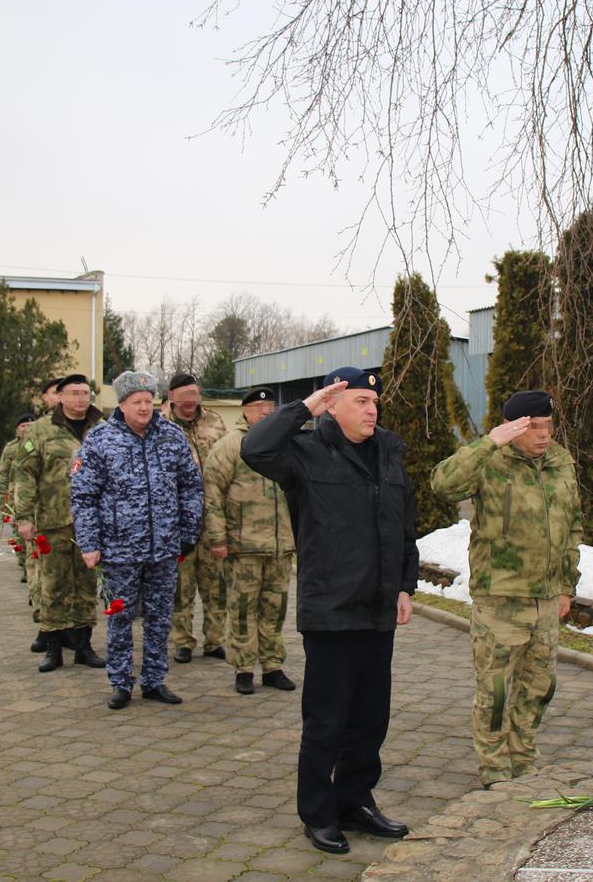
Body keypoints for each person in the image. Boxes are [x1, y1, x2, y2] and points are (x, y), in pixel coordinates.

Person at [242, 367, 417, 856]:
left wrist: (405, 585)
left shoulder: (388, 453)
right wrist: (304, 407)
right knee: (327, 722)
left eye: (373, 402)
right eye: (359, 401)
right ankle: (317, 813)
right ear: (333, 406)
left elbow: (405, 526)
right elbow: (255, 448)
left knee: (369, 719)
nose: (370, 410)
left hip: (378, 610)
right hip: (332, 610)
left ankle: (354, 801)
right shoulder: (303, 451)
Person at [430, 390, 582, 788]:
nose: (543, 434)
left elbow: (572, 525)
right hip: (500, 599)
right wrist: (488, 442)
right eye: (533, 427)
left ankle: (523, 757)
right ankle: (495, 767)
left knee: (539, 686)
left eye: (547, 425)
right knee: (496, 691)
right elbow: (442, 485)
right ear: (512, 428)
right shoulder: (490, 461)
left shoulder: (560, 462)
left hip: (546, 600)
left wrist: (567, 586)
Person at [71, 370, 204, 710]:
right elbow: (83, 495)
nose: (144, 408)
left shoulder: (172, 436)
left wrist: (189, 532)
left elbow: (191, 486)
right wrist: (89, 543)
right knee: (120, 618)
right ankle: (120, 682)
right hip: (119, 549)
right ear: (123, 404)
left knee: (161, 617)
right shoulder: (100, 439)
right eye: (137, 402)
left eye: (149, 401)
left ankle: (154, 680)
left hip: (164, 547)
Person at [203, 386, 296, 695]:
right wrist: (218, 538)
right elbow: (212, 494)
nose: (265, 414)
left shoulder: (286, 444)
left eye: (270, 409)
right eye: (259, 409)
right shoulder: (230, 445)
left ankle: (272, 666)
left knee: (275, 608)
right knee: (243, 608)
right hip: (243, 545)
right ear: (245, 412)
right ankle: (244, 668)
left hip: (280, 545)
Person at [11, 375, 107, 672]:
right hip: (53, 521)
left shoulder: (102, 429)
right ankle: (53, 648)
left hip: (91, 522)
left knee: (87, 584)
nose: (80, 399)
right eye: (73, 393)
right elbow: (25, 476)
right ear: (60, 397)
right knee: (53, 585)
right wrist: (24, 517)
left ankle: (83, 645)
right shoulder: (40, 431)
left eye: (85, 393)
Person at [164, 372, 228, 664]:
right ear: (171, 398)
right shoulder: (160, 426)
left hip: (214, 516)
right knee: (181, 586)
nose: (190, 402)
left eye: (194, 395)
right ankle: (183, 641)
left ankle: (214, 641)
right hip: (177, 521)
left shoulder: (215, 421)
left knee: (215, 584)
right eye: (183, 396)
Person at [0, 413, 36, 596]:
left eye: (30, 425)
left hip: (35, 498)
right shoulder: (11, 448)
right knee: (20, 535)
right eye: (23, 426)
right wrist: (3, 502)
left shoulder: (38, 443)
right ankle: (24, 564)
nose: (27, 428)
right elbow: (4, 474)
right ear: (17, 429)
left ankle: (30, 569)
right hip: (15, 496)